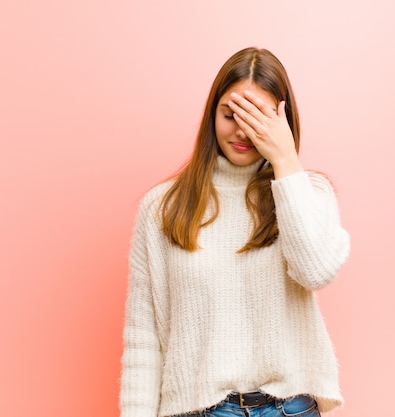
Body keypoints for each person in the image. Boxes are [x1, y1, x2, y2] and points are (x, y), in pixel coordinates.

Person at [120, 47, 351, 417]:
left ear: (282, 121)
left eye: (258, 117)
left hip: (289, 408)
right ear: (212, 113)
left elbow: (317, 270)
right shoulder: (163, 207)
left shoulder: (308, 193)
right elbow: (144, 341)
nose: (243, 130)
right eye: (231, 115)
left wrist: (285, 161)